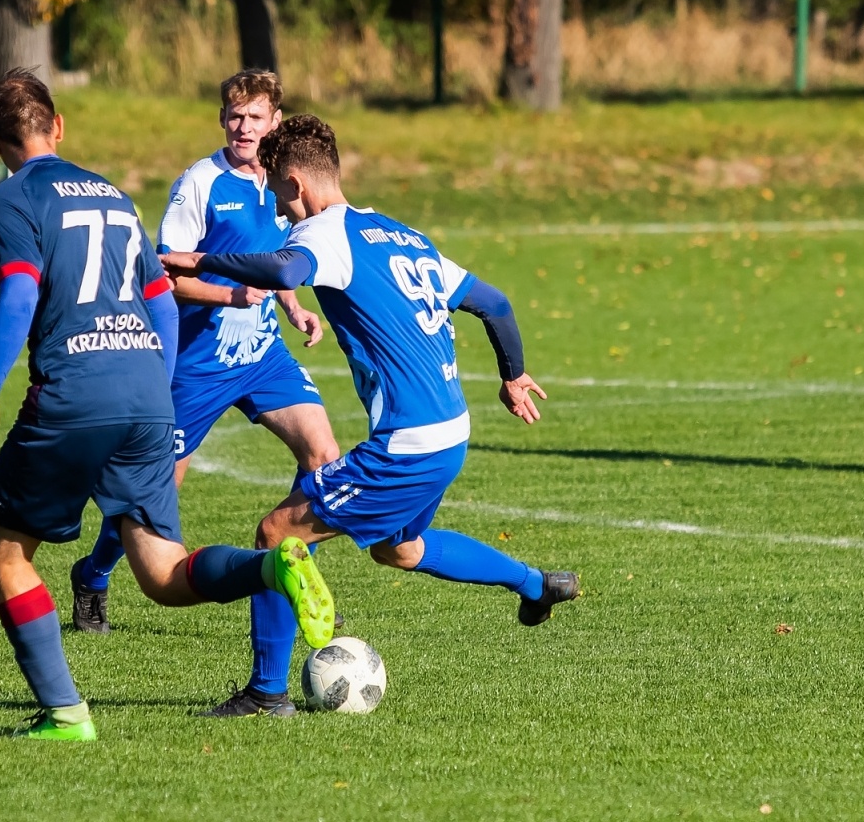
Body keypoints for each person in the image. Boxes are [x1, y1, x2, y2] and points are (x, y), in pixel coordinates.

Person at [0, 69, 336, 742]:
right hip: (146, 389)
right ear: (59, 126)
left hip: (74, 390)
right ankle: (272, 564)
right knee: (163, 573)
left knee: (7, 551)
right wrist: (156, 383)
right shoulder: (112, 192)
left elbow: (19, 294)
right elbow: (162, 296)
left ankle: (66, 713)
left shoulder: (12, 199)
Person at [161, 115, 579, 664]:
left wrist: (203, 260)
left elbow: (286, 272)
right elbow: (495, 303)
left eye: (279, 195)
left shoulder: (324, 233)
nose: (281, 211)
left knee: (276, 535)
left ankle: (266, 693)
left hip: (405, 447)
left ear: (295, 184)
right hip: (450, 433)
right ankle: (534, 584)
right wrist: (512, 373)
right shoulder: (402, 233)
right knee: (399, 549)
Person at [69, 69, 341, 719]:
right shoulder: (200, 183)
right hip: (196, 364)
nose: (241, 127)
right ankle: (96, 572)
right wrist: (230, 294)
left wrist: (293, 307)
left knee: (324, 456)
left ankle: (286, 548)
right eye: (232, 116)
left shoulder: (280, 184)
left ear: (276, 120)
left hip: (262, 357)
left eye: (253, 116)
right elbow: (166, 273)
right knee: (157, 502)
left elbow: (273, 263)